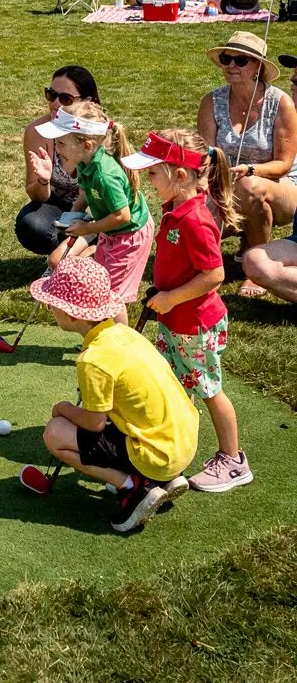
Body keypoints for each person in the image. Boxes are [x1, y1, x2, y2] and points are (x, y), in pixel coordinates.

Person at [122, 130, 253, 493]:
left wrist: (172, 297)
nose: (148, 181)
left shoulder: (195, 220)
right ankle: (178, 450)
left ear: (179, 175)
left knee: (209, 389)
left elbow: (215, 274)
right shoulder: (175, 209)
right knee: (178, 386)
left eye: (152, 173)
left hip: (192, 325)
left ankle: (233, 459)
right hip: (176, 320)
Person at [36, 259, 198, 533]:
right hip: (183, 445)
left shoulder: (93, 359)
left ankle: (135, 487)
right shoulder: (124, 333)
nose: (49, 307)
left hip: (156, 454)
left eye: (53, 303)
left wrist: (62, 408)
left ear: (71, 314)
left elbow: (93, 423)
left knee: (55, 433)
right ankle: (165, 478)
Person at [198, 32, 297, 293]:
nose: (231, 65)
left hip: (280, 187)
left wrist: (250, 170)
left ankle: (255, 263)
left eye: (241, 60)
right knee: (189, 224)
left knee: (250, 186)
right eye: (226, 58)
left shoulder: (280, 103)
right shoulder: (211, 101)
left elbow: (284, 164)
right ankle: (226, 257)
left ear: (258, 67)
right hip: (226, 187)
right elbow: (206, 156)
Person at [36, 100, 154, 318]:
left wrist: (88, 228)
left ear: (87, 145)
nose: (56, 149)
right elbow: (84, 194)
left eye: (61, 143)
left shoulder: (105, 175)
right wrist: (72, 217)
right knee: (101, 284)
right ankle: (105, 337)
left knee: (112, 294)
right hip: (112, 230)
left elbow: (122, 215)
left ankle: (119, 345)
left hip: (129, 234)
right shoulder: (84, 163)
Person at [16, 65, 101, 256]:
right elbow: (35, 195)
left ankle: (87, 249)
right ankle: (70, 254)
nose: (55, 103)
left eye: (65, 98)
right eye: (51, 94)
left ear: (87, 101)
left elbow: (111, 199)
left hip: (99, 208)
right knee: (31, 225)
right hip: (61, 206)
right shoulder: (37, 131)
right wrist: (43, 180)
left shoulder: (102, 134)